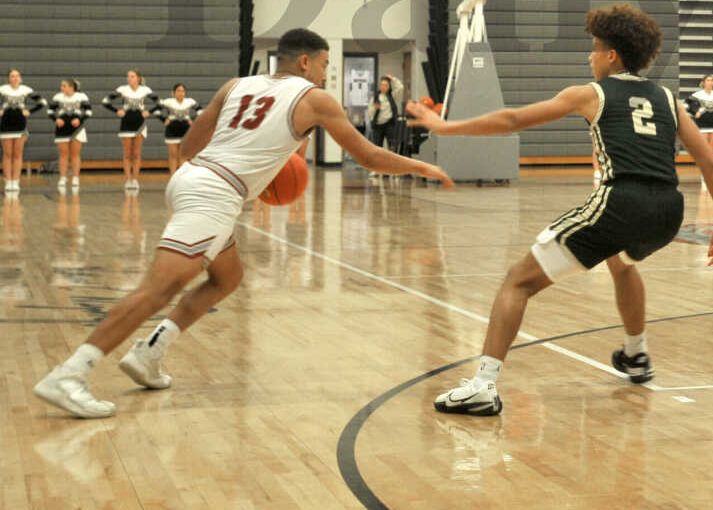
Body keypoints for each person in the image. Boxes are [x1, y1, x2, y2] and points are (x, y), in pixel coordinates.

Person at [32, 29, 452, 419]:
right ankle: (70, 374)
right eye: (325, 64)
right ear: (305, 62)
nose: (326, 74)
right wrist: (423, 167)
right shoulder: (315, 98)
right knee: (156, 290)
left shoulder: (235, 85)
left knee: (226, 277)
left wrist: (247, 159)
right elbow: (368, 156)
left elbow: (190, 146)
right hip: (215, 193)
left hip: (191, 179)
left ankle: (149, 353)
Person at [407, 5, 713, 414]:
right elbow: (711, 165)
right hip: (668, 211)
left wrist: (445, 127)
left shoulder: (591, 93)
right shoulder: (668, 99)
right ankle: (636, 355)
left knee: (517, 282)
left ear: (611, 56)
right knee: (622, 262)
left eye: (594, 49)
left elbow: (512, 120)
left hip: (620, 201)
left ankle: (483, 386)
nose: (589, 57)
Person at [103, 70, 157, 192]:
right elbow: (105, 101)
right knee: (127, 154)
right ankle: (128, 179)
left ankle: (135, 179)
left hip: (139, 124)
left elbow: (159, 103)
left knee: (136, 153)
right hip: (126, 123)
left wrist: (149, 112)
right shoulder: (122, 89)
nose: (129, 78)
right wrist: (117, 111)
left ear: (138, 78)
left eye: (132, 76)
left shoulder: (145, 90)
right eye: (128, 76)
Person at [1, 68, 43, 192]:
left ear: (20, 78)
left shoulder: (26, 90)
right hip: (5, 125)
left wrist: (30, 111)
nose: (15, 78)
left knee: (17, 154)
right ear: (8, 78)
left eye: (17, 76)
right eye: (12, 76)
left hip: (20, 125)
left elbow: (42, 102)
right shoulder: (2, 89)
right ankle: (8, 181)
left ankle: (15, 181)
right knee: (7, 154)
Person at [49, 79, 91, 194]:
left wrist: (79, 119)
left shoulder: (81, 96)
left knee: (75, 154)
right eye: (61, 86)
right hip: (62, 128)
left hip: (77, 129)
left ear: (71, 87)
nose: (61, 88)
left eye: (64, 86)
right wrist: (56, 119)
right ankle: (63, 177)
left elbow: (89, 111)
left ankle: (75, 177)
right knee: (63, 154)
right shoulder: (58, 97)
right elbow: (50, 111)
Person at [158, 84, 200, 177]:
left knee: (183, 155)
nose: (180, 93)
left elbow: (201, 111)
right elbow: (156, 110)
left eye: (182, 91)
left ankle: (181, 177)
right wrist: (164, 119)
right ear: (173, 93)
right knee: (173, 155)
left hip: (185, 131)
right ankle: (173, 177)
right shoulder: (168, 102)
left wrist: (192, 119)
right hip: (172, 130)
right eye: (178, 91)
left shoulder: (190, 101)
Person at [687, 75, 713, 152]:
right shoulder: (698, 94)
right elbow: (685, 104)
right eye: (708, 80)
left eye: (712, 80)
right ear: (703, 82)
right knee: (704, 149)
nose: (710, 82)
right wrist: (694, 113)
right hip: (702, 124)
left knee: (711, 150)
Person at [368, 76, 402, 151]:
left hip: (389, 124)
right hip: (378, 125)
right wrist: (375, 109)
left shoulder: (392, 96)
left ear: (389, 87)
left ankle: (392, 158)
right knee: (377, 148)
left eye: (386, 85)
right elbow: (370, 113)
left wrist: (393, 79)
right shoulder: (375, 98)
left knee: (393, 147)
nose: (383, 87)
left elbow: (400, 87)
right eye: (382, 85)